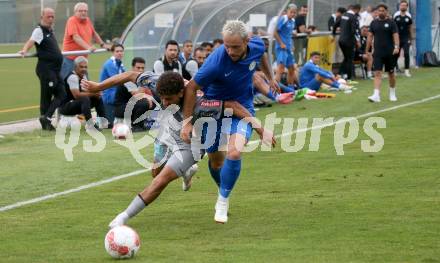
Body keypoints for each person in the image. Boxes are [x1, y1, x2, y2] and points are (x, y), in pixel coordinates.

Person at [81, 71, 275, 227]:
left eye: (169, 99)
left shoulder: (201, 103)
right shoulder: (159, 83)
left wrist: (261, 129)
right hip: (170, 130)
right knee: (155, 172)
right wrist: (98, 86)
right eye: (162, 98)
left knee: (165, 178)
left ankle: (122, 217)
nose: (164, 103)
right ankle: (185, 173)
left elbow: (233, 106)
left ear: (182, 93)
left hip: (194, 141)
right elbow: (131, 75)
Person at [181, 20, 279, 224]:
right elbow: (190, 88)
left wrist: (270, 77)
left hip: (242, 108)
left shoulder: (257, 44)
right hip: (213, 110)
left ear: (246, 41)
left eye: (235, 47)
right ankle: (222, 189)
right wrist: (187, 122)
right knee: (216, 160)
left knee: (234, 152)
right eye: (227, 46)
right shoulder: (215, 63)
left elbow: (262, 56)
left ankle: (222, 201)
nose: (230, 51)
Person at [19, 8, 66, 131]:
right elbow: (31, 41)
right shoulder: (39, 30)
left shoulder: (50, 30)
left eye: (52, 17)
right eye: (48, 17)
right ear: (42, 17)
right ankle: (46, 122)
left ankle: (46, 117)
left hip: (55, 70)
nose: (51, 19)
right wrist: (25, 50)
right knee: (46, 97)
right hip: (46, 70)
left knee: (62, 94)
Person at [61, 2, 111, 79]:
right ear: (75, 12)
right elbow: (75, 37)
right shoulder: (71, 20)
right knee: (65, 84)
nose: (83, 13)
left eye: (85, 11)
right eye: (80, 11)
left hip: (82, 60)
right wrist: (88, 47)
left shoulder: (87, 20)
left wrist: (103, 45)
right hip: (70, 60)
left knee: (85, 85)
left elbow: (94, 33)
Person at [59, 56, 105, 130]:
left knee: (97, 98)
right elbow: (77, 95)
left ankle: (102, 123)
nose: (84, 69)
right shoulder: (72, 77)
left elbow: (86, 91)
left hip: (76, 104)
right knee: (85, 98)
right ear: (75, 67)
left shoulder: (83, 76)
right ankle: (90, 126)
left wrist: (96, 93)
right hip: (65, 107)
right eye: (81, 67)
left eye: (85, 67)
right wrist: (93, 94)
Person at [366, 3, 400, 103]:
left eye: (383, 10)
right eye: (379, 10)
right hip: (378, 52)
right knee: (377, 73)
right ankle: (376, 95)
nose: (381, 12)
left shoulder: (391, 23)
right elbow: (370, 36)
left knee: (391, 73)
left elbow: (396, 35)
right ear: (377, 12)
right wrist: (367, 50)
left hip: (390, 52)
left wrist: (397, 47)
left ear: (386, 11)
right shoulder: (373, 23)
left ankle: (392, 93)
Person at [113, 57, 155, 132]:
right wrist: (144, 84)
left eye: (142, 68)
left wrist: (151, 98)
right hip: (121, 108)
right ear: (132, 68)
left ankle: (143, 123)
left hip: (131, 106)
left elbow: (150, 94)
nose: (141, 70)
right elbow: (137, 96)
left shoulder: (140, 79)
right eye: (138, 68)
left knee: (154, 101)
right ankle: (135, 126)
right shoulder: (128, 78)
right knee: (144, 102)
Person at [100, 44, 126, 127]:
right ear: (113, 53)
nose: (119, 53)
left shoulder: (120, 64)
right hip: (109, 93)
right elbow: (118, 80)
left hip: (115, 92)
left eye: (121, 51)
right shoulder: (110, 64)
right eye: (117, 51)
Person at [332, 4, 361, 80]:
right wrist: (357, 41)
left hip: (341, 40)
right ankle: (349, 77)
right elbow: (354, 30)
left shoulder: (343, 15)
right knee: (350, 59)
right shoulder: (354, 17)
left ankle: (339, 74)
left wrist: (333, 34)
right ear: (357, 10)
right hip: (349, 41)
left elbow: (335, 24)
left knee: (346, 58)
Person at [273, 4, 298, 88]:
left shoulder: (293, 21)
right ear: (287, 11)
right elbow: (274, 32)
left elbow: (289, 34)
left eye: (294, 13)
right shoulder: (283, 19)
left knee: (291, 69)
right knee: (280, 69)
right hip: (281, 48)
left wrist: (292, 45)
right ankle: (275, 91)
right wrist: (281, 43)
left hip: (288, 49)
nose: (293, 14)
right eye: (291, 12)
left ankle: (291, 89)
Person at [393, 0, 413, 77]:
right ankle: (394, 69)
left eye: (405, 5)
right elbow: (393, 27)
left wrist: (411, 38)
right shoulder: (396, 15)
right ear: (399, 6)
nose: (403, 7)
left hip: (406, 38)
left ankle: (406, 71)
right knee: (396, 54)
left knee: (406, 53)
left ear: (407, 7)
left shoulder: (409, 15)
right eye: (402, 5)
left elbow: (410, 27)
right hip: (397, 38)